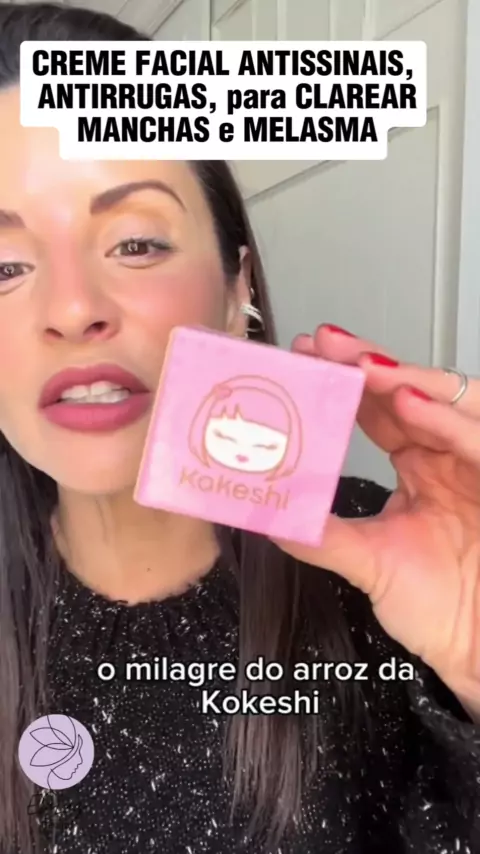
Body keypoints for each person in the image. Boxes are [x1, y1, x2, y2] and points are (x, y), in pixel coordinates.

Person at [0, 4, 479, 853]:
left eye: (136, 244)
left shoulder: (384, 553)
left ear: (236, 290)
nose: (73, 309)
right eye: (4, 265)